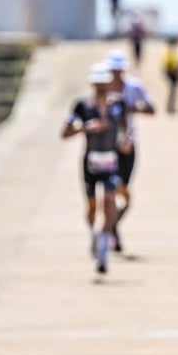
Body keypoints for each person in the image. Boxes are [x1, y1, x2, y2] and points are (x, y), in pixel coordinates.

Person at [62, 65, 129, 274]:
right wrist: (85, 128)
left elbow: (124, 129)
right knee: (92, 207)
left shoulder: (118, 105)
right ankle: (94, 234)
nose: (101, 87)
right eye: (98, 84)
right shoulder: (82, 106)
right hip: (90, 164)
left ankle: (103, 246)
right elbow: (65, 132)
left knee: (109, 203)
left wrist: (125, 141)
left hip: (111, 163)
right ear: (93, 84)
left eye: (104, 83)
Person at [105, 50, 156, 253]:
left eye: (118, 70)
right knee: (110, 191)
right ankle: (112, 232)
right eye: (112, 70)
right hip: (108, 147)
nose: (115, 74)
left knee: (124, 193)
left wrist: (131, 108)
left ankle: (112, 227)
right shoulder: (103, 87)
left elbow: (151, 109)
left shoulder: (134, 87)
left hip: (128, 144)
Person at [162, 37, 178, 114]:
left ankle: (172, 107)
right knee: (172, 91)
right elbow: (167, 64)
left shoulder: (173, 53)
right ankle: (170, 107)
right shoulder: (169, 53)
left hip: (174, 73)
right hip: (171, 73)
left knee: (173, 91)